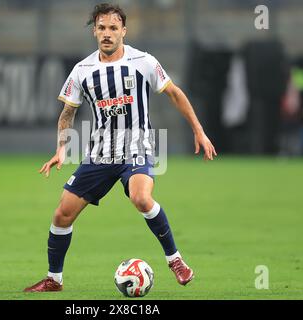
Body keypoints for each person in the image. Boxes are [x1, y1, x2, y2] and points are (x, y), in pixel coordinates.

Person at [24, 3, 217, 293]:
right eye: (101, 28)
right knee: (62, 215)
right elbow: (67, 113)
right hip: (100, 153)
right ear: (94, 32)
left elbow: (175, 94)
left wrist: (199, 131)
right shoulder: (82, 71)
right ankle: (54, 279)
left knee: (141, 198)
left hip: (137, 147)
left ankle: (175, 260)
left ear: (124, 31)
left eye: (113, 28)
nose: (107, 33)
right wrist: (61, 149)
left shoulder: (144, 62)